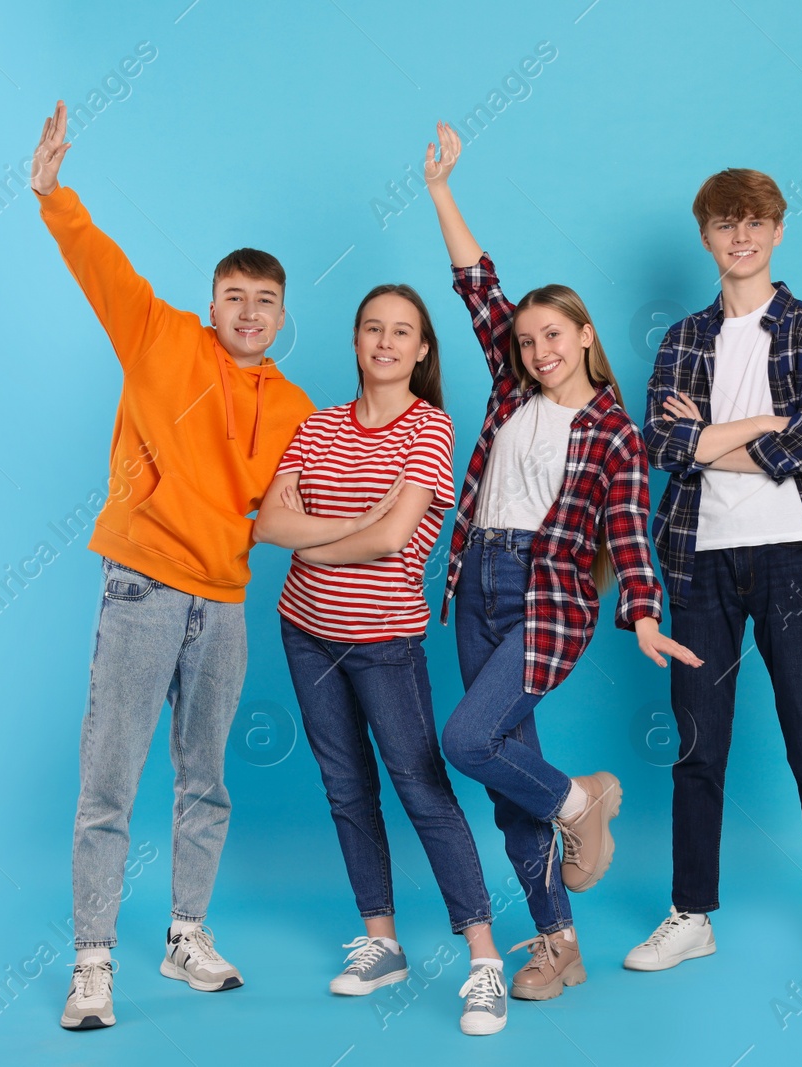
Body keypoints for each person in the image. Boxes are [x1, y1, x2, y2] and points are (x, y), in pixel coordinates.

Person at [28, 101, 319, 1031]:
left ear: (281, 316)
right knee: (109, 780)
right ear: (212, 304)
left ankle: (185, 931)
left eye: (263, 301)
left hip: (223, 603)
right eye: (233, 295)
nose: (247, 312)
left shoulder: (296, 404)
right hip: (143, 586)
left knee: (207, 778)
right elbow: (98, 265)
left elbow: (305, 498)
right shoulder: (159, 336)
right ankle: (92, 962)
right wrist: (53, 193)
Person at [421, 122, 702, 1003]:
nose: (540, 351)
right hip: (476, 583)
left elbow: (629, 531)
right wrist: (441, 192)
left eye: (556, 336)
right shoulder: (512, 392)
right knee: (510, 782)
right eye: (529, 339)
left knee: (468, 740)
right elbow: (478, 286)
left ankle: (581, 801)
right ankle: (558, 945)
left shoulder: (615, 431)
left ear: (584, 336)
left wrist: (647, 614)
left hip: (547, 599)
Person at [629, 167, 802, 982]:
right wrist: (754, 426)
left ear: (777, 231)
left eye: (756, 223)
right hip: (698, 560)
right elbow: (661, 447)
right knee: (698, 743)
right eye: (725, 224)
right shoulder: (682, 341)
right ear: (705, 237)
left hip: (794, 558)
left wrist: (711, 436)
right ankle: (691, 913)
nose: (741, 237)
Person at [253, 283, 512, 1036]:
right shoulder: (318, 424)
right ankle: (382, 941)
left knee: (421, 787)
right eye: (374, 328)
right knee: (344, 786)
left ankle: (485, 960)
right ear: (357, 340)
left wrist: (318, 536)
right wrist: (352, 520)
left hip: (384, 641)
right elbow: (269, 520)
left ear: (423, 349)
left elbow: (393, 538)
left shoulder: (430, 427)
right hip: (305, 631)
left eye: (403, 332)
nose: (387, 342)